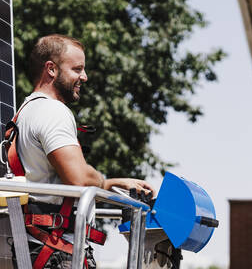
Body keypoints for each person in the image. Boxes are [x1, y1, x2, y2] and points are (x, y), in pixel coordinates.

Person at [11, 34, 155, 268]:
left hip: (41, 247)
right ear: (51, 69)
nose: (84, 77)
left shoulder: (26, 111)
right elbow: (77, 178)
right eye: (77, 69)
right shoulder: (52, 112)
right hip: (58, 251)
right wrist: (107, 183)